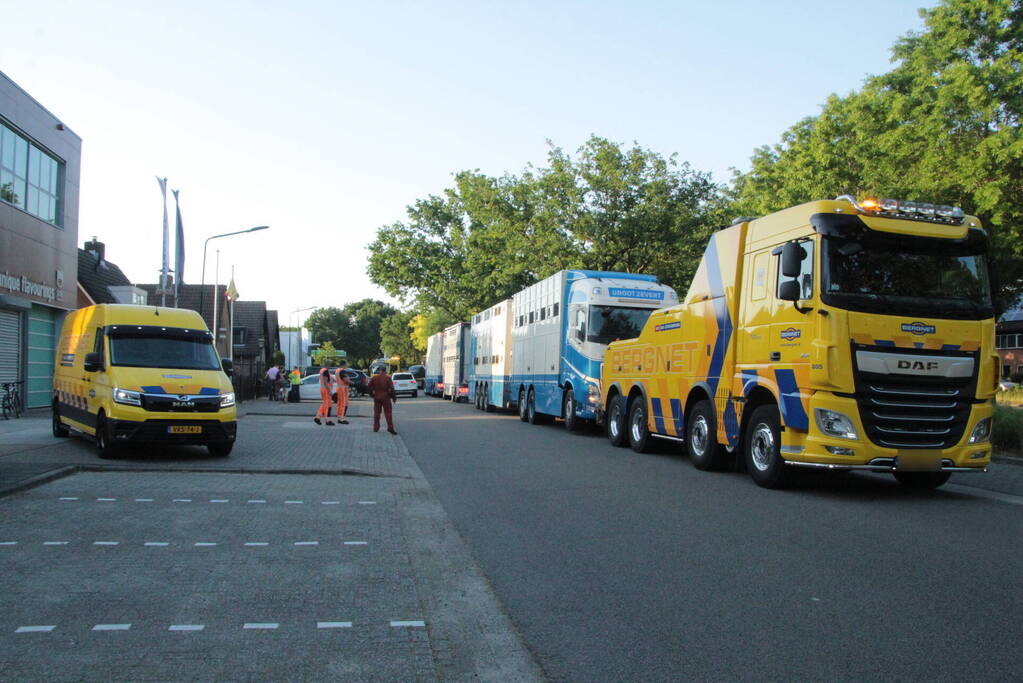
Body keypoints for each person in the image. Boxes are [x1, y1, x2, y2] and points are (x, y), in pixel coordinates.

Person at [367, 365, 397, 434]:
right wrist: (394, 398)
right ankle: (390, 427)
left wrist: (372, 394)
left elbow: (369, 387)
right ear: (385, 371)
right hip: (386, 397)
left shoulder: (374, 378)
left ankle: (376, 428)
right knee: (388, 413)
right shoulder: (387, 378)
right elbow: (392, 388)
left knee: (377, 413)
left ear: (379, 370)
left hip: (377, 397)